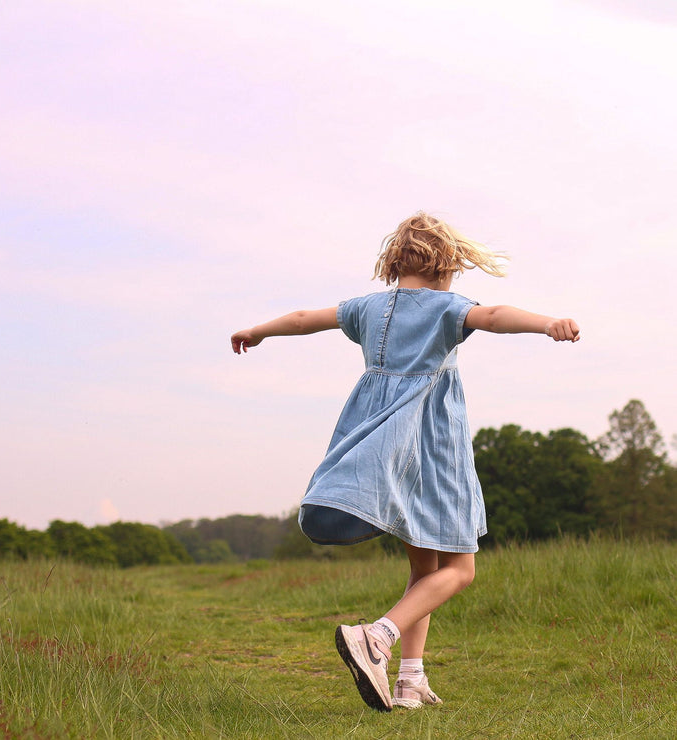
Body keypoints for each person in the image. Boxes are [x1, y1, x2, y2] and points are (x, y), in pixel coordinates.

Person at [230, 212, 580, 712]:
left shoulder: (368, 309)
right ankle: (377, 637)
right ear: (446, 264)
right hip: (434, 448)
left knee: (425, 570)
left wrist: (258, 331)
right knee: (459, 570)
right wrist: (547, 324)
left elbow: (305, 320)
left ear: (395, 260)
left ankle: (410, 681)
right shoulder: (445, 308)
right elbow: (496, 316)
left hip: (385, 446)